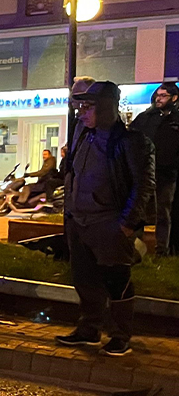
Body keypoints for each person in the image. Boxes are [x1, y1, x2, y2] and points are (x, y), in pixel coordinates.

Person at [55, 81, 155, 356]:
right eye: (80, 106)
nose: (81, 112)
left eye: (88, 107)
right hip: (80, 221)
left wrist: (126, 223)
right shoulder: (82, 134)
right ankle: (89, 329)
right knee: (85, 280)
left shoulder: (132, 142)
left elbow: (144, 183)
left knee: (116, 280)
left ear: (107, 107)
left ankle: (121, 335)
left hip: (109, 223)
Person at [130, 82, 179, 256]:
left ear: (174, 98)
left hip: (166, 175)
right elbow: (132, 139)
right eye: (158, 95)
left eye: (164, 95)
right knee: (139, 211)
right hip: (144, 173)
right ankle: (134, 249)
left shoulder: (176, 119)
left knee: (163, 213)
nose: (159, 98)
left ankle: (162, 251)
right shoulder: (146, 118)